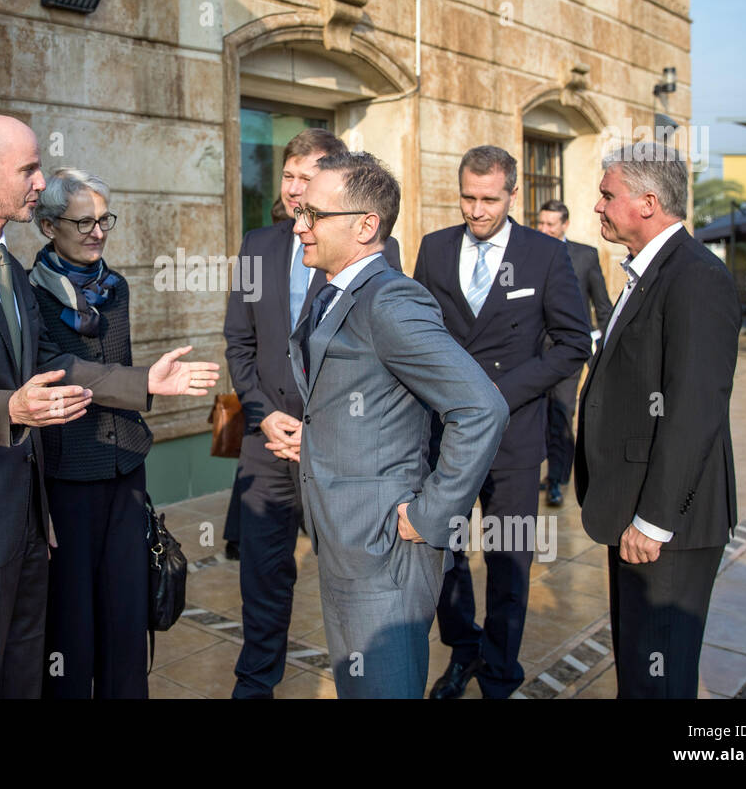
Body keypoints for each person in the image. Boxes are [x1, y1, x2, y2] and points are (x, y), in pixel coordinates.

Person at [0, 115, 219, 699]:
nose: (40, 182)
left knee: (24, 682)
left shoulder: (9, 268)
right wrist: (11, 407)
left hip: (29, 521)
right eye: (30, 169)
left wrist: (146, 382)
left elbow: (53, 366)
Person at [282, 151, 507, 699]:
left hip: (385, 550)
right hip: (343, 540)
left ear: (366, 225)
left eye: (314, 214)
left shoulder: (392, 300)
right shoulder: (333, 290)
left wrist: (432, 515)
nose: (299, 224)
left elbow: (481, 408)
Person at [224, 128, 406, 698]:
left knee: (347, 579)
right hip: (265, 443)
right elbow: (239, 344)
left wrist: (323, 429)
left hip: (336, 451)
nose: (296, 191)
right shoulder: (257, 244)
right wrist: (261, 415)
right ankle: (254, 687)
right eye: (288, 176)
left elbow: (378, 358)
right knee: (262, 578)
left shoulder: (378, 251)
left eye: (309, 178)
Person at [413, 146, 590, 699]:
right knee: (442, 552)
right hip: (445, 435)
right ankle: (463, 650)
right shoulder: (435, 248)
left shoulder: (544, 254)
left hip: (513, 437)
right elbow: (416, 331)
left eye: (489, 199)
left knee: (508, 559)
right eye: (468, 196)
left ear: (513, 194)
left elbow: (572, 343)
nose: (477, 209)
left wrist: (498, 393)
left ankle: (499, 672)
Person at [576, 143, 739, 699]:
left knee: (659, 682)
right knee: (639, 675)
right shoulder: (647, 270)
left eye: (606, 195)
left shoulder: (695, 277)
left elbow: (695, 408)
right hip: (632, 507)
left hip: (667, 525)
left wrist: (654, 520)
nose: (597, 206)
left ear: (647, 203)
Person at [28, 169, 153, 699]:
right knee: (71, 620)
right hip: (66, 471)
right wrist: (142, 384)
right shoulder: (27, 292)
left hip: (124, 464)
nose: (97, 232)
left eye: (105, 220)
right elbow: (50, 368)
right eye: (84, 221)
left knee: (127, 610)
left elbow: (117, 364)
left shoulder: (115, 286)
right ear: (49, 225)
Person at [536, 199, 613, 507]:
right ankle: (546, 471)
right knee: (538, 415)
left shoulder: (585, 256)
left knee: (561, 413)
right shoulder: (527, 253)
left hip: (569, 353)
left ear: (564, 225)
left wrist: (600, 351)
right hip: (534, 352)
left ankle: (556, 479)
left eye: (550, 224)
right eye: (541, 223)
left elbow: (603, 306)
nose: (544, 229)